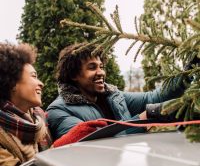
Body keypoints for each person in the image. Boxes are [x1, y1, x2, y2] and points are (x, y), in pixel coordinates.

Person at [47, 43, 190, 143]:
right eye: (92, 67)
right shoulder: (59, 110)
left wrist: (187, 72)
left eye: (101, 67)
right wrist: (144, 118)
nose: (100, 72)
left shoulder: (114, 96)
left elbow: (153, 97)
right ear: (73, 75)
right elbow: (93, 145)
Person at [0, 42, 107, 166]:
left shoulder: (40, 120)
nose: (41, 83)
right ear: (12, 83)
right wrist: (60, 146)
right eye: (33, 76)